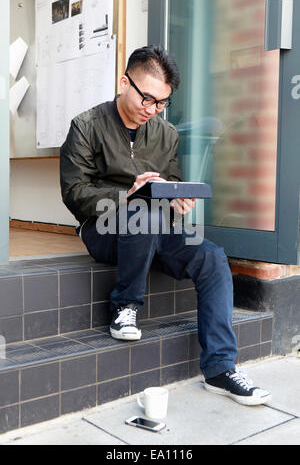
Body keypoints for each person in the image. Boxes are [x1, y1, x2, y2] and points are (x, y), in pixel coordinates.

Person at [60, 45, 271, 406]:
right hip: (103, 227)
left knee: (213, 258)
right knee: (143, 214)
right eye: (147, 98)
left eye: (161, 103)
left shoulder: (166, 133)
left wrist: (178, 203)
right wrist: (128, 194)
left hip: (153, 227)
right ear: (124, 82)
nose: (152, 109)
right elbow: (74, 192)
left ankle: (220, 368)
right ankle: (125, 306)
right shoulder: (86, 125)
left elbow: (170, 186)